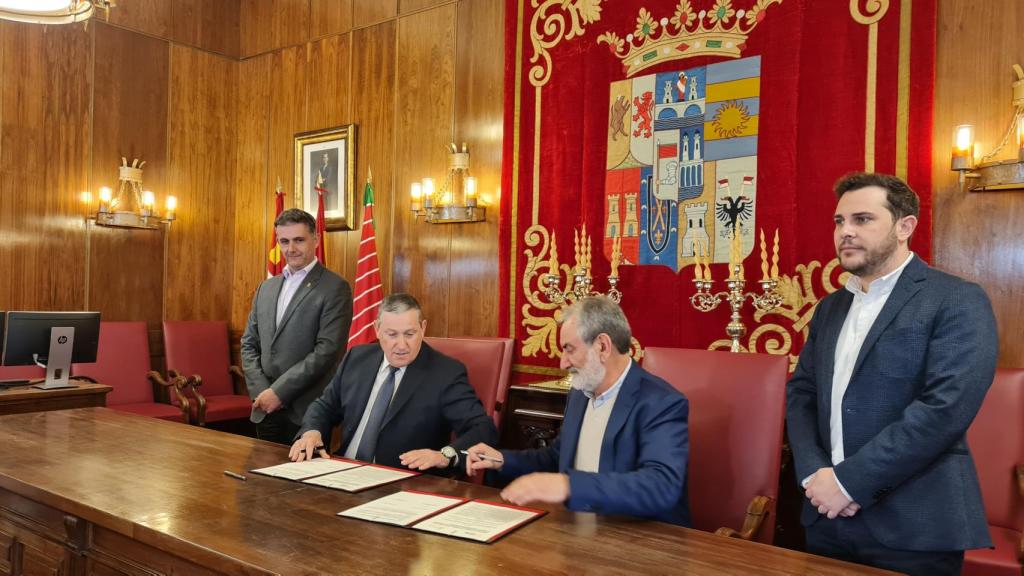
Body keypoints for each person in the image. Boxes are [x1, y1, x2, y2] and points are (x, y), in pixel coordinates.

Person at [786, 172, 997, 576]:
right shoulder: (830, 308)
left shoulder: (956, 299)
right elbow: (802, 393)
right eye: (839, 221)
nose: (845, 232)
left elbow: (945, 409)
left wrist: (848, 483)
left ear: (905, 227)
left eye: (862, 219)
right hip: (825, 516)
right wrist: (815, 476)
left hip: (914, 524)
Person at [465, 296, 691, 526]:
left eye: (569, 349)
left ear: (602, 346)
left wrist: (569, 485)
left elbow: (661, 486)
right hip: (580, 532)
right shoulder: (580, 393)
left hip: (644, 541)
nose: (563, 363)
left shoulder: (661, 402)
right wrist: (502, 459)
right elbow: (557, 458)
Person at [289, 293, 498, 473]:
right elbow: (325, 406)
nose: (402, 345)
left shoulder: (446, 373)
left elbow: (482, 428)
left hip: (401, 483)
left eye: (410, 334)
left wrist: (445, 455)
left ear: (423, 328)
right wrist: (312, 432)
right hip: (341, 470)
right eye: (392, 334)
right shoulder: (357, 358)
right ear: (378, 329)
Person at [241, 208, 353, 445]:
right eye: (284, 241)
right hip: (265, 407)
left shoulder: (335, 288)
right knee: (261, 478)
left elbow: (327, 352)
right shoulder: (266, 288)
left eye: (299, 240)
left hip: (306, 410)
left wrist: (279, 393)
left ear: (316, 239)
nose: (290, 249)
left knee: (303, 482)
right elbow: (249, 344)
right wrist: (263, 392)